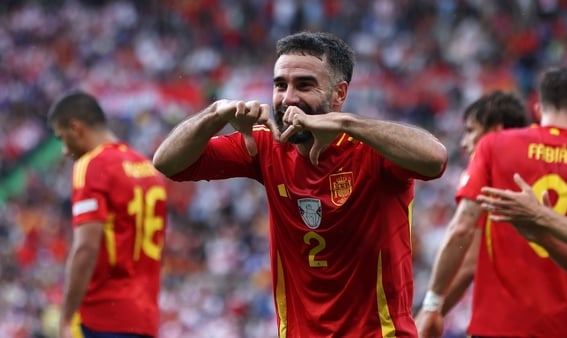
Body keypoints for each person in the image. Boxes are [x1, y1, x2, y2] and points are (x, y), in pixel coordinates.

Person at [152, 31, 448, 337]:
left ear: (339, 94)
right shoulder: (266, 144)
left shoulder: (372, 148)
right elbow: (168, 162)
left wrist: (346, 123)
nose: (288, 98)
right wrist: (216, 113)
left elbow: (435, 158)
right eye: (280, 85)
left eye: (304, 85)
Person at [416, 66, 567, 338]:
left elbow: (462, 229)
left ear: (538, 108)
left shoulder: (495, 146)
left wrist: (432, 305)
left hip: (496, 326)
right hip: (565, 328)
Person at [48, 91, 168, 338]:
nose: (64, 150)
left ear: (76, 127)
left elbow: (86, 248)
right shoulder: (148, 169)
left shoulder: (92, 165)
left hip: (102, 317)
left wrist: (66, 318)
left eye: (62, 138)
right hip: (144, 319)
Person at [417, 90, 530, 328]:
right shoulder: (540, 172)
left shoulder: (491, 175)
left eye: (470, 131)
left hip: (503, 319)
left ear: (496, 132)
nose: (464, 143)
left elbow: (469, 260)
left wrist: (429, 312)